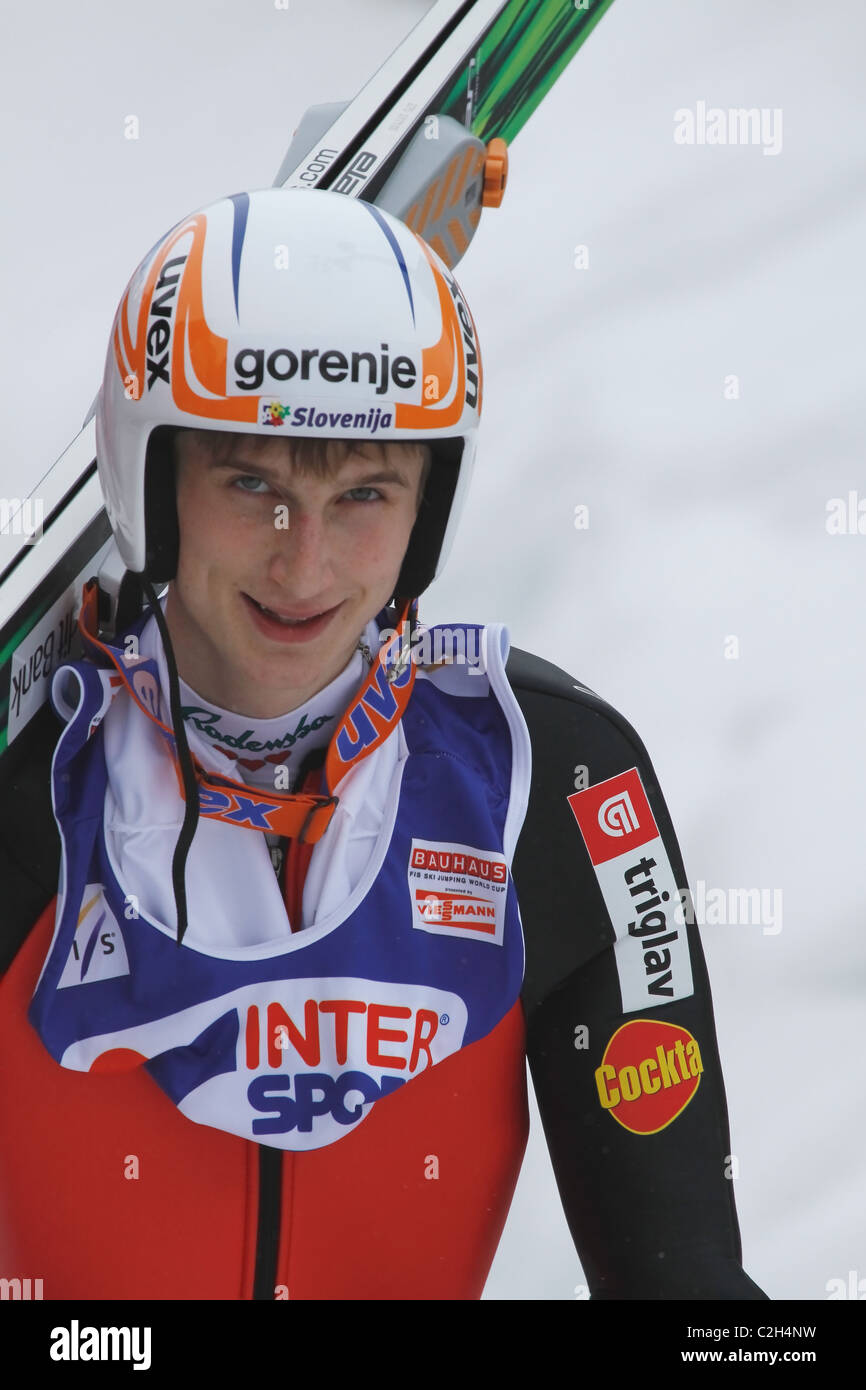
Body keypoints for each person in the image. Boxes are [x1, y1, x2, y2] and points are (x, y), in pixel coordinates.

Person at [0, 188, 767, 1300]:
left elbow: (688, 1293)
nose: (303, 564)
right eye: (250, 482)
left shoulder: (548, 779)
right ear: (154, 479)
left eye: (363, 491)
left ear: (427, 512)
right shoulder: (35, 790)